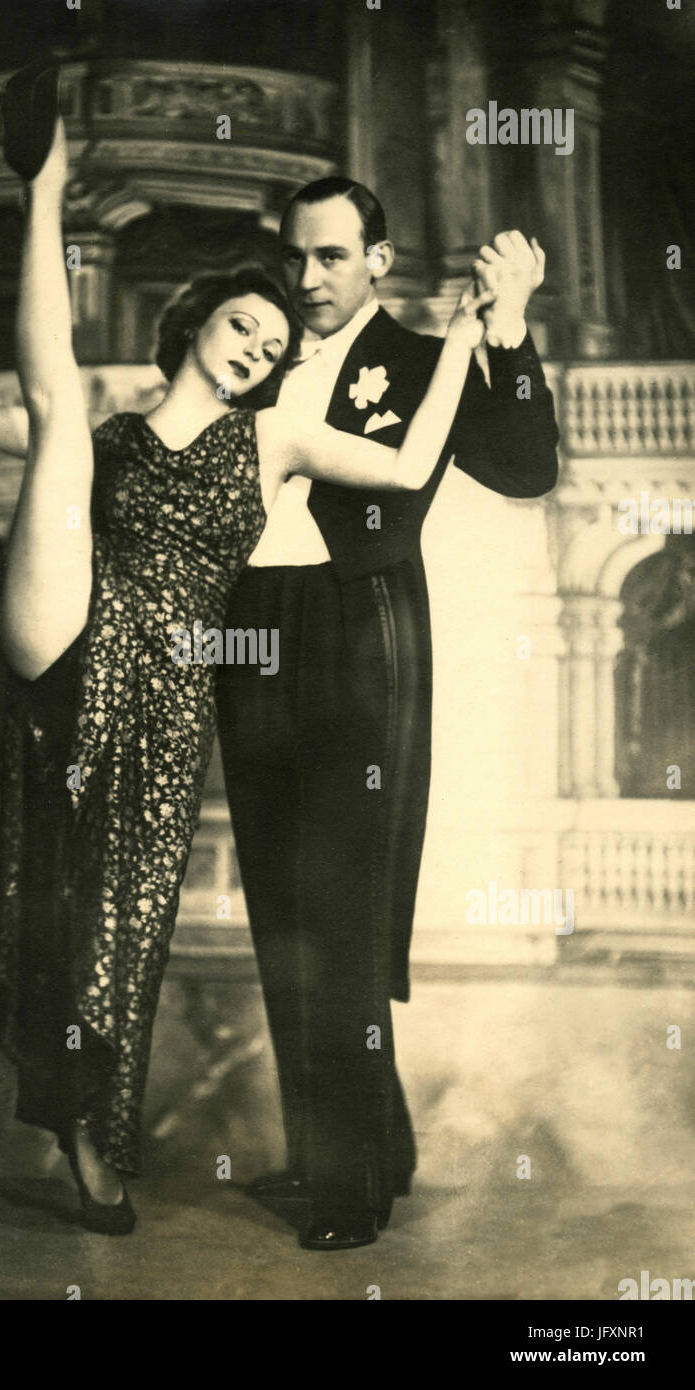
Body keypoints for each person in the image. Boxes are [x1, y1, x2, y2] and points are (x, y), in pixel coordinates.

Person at [0, 62, 495, 1236]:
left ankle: (88, 1146)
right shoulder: (109, 421)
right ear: (190, 323)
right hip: (75, 634)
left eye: (268, 340)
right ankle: (42, 185)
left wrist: (459, 332)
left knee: (118, 923)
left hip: (165, 696)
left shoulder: (275, 441)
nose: (256, 345)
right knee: (57, 420)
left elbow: (408, 467)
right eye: (240, 324)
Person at [215, 176, 560, 1249]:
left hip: (357, 631)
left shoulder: (419, 358)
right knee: (281, 897)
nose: (307, 278)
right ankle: (363, 1148)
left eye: (330, 257)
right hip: (253, 633)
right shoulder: (255, 352)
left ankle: (349, 1184)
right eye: (295, 257)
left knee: (344, 903)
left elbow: (524, 468)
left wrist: (505, 327)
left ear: (378, 258)